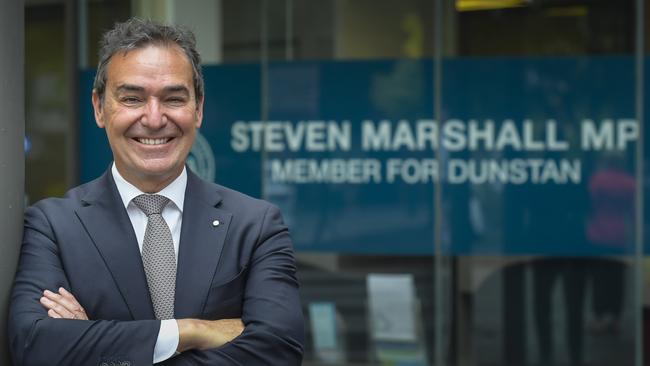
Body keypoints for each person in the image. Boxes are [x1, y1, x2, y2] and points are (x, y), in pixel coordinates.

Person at [8, 18, 304, 366]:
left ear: (199, 109)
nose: (153, 117)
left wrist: (94, 342)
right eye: (132, 98)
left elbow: (279, 352)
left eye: (173, 98)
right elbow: (34, 345)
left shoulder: (255, 226)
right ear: (99, 108)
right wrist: (190, 331)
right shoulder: (52, 225)